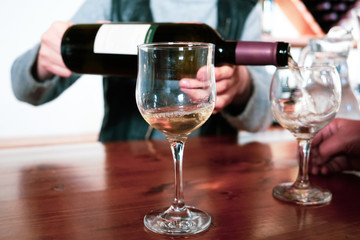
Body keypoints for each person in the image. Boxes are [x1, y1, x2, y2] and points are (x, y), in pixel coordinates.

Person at [11, 0, 273, 142]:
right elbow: (23, 89)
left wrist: (242, 86)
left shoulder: (245, 7)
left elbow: (260, 122)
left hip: (218, 180)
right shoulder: (111, 3)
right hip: (123, 173)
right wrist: (41, 62)